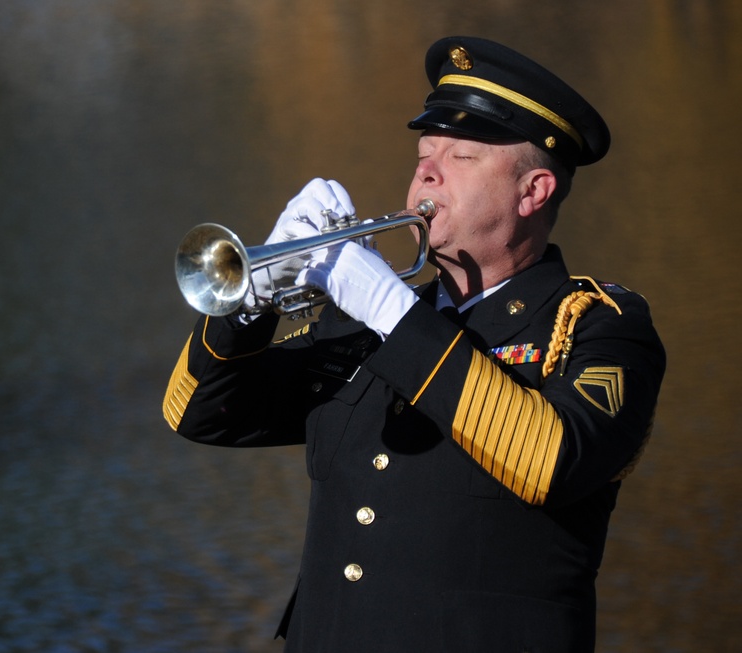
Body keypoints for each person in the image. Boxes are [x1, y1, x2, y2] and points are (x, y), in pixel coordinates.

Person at [162, 36, 665, 652]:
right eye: (424, 153)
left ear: (532, 192)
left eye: (461, 156)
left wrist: (393, 314)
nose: (428, 169)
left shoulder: (599, 326)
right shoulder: (365, 324)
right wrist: (255, 295)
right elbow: (198, 412)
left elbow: (550, 461)